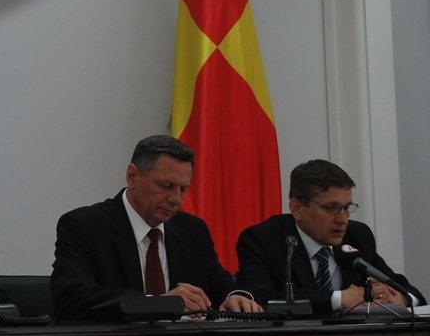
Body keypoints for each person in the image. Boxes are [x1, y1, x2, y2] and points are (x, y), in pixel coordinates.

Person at [50, 134, 262, 320]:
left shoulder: (192, 230)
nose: (176, 199)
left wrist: (234, 298)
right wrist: (157, 303)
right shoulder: (85, 226)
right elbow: (71, 297)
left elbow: (221, 286)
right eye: (166, 186)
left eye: (183, 189)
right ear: (132, 176)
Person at [236, 159, 424, 315]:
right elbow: (260, 299)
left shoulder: (358, 235)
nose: (342, 219)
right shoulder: (263, 240)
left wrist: (402, 298)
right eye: (331, 208)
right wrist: (339, 299)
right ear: (297, 208)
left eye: (347, 207)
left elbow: (405, 288)